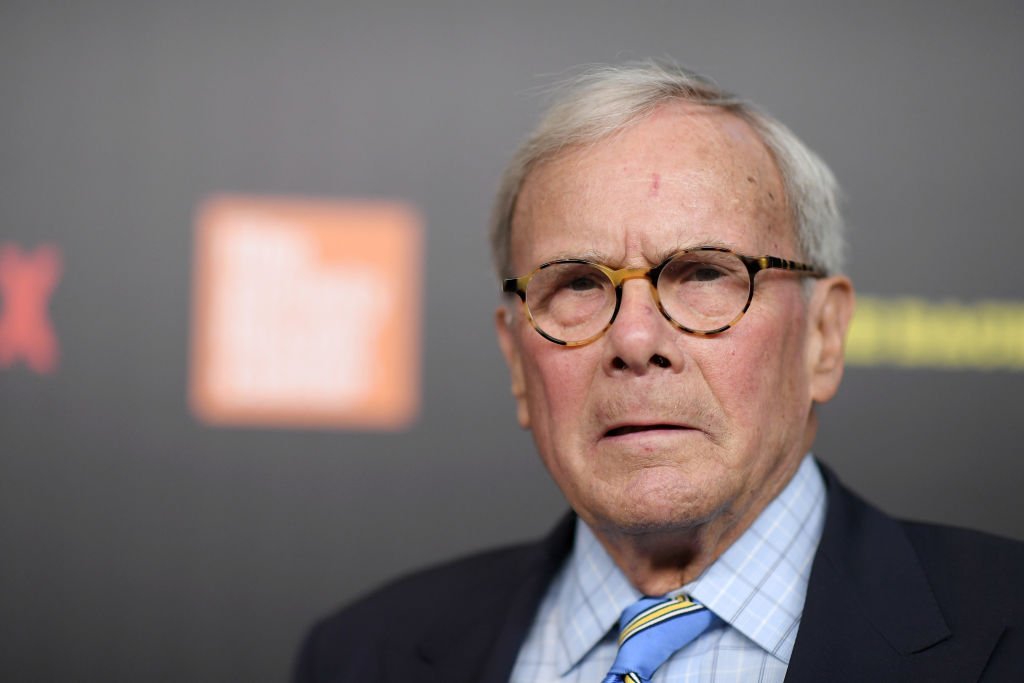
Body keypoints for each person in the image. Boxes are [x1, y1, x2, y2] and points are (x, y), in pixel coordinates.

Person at [294, 61, 1024, 682]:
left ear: (824, 338)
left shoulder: (1004, 628)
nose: (636, 338)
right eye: (577, 284)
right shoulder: (362, 654)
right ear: (516, 359)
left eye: (705, 272)